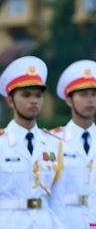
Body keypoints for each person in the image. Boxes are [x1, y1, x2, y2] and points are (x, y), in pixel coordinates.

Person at [0, 56, 65, 228]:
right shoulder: (1, 143)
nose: (34, 100)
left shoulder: (54, 144)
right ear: (10, 100)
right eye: (26, 95)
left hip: (45, 222)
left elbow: (58, 199)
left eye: (38, 95)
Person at [50, 59, 96, 229]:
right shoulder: (54, 141)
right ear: (69, 100)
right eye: (83, 95)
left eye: (94, 94)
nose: (90, 100)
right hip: (66, 221)